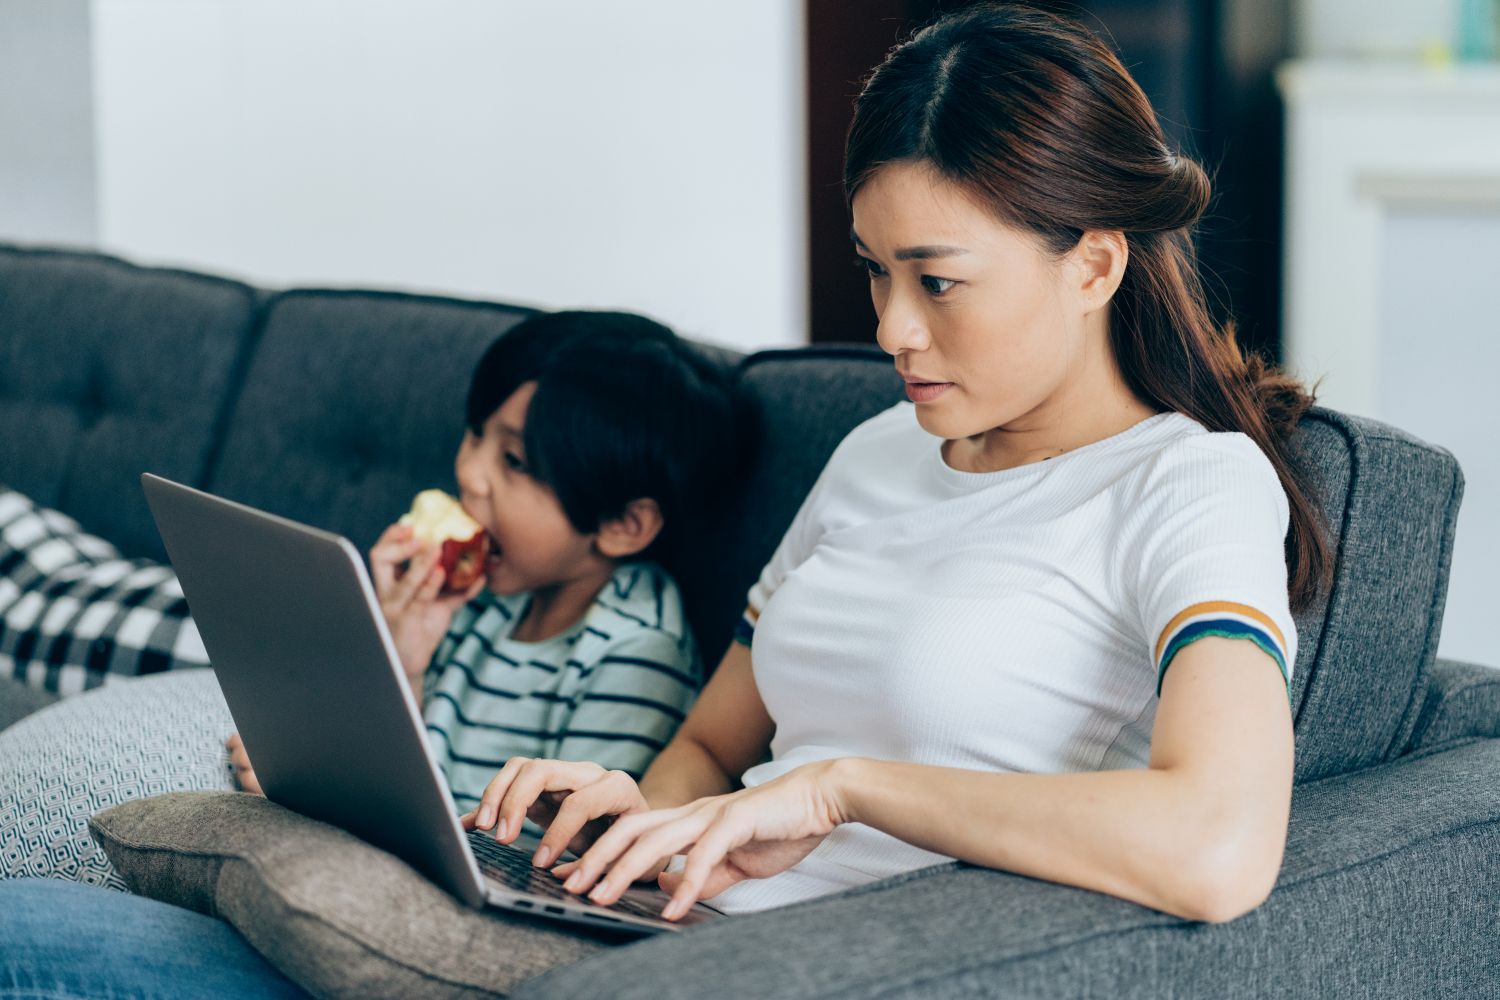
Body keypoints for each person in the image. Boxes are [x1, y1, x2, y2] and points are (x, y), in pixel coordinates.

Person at [0, 5, 1334, 996]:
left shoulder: (1189, 487)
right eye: (874, 274)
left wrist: (837, 793)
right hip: (645, 938)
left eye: (938, 280)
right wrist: (629, 812)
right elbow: (707, 750)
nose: (893, 331)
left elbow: (1217, 844)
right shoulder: (878, 452)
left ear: (1094, 263)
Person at [226, 309, 745, 811]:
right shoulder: (486, 595)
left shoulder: (635, 652)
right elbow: (411, 763)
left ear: (621, 525)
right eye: (476, 433)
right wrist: (398, 657)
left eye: (514, 461)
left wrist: (337, 794)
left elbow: (553, 859)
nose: (470, 473)